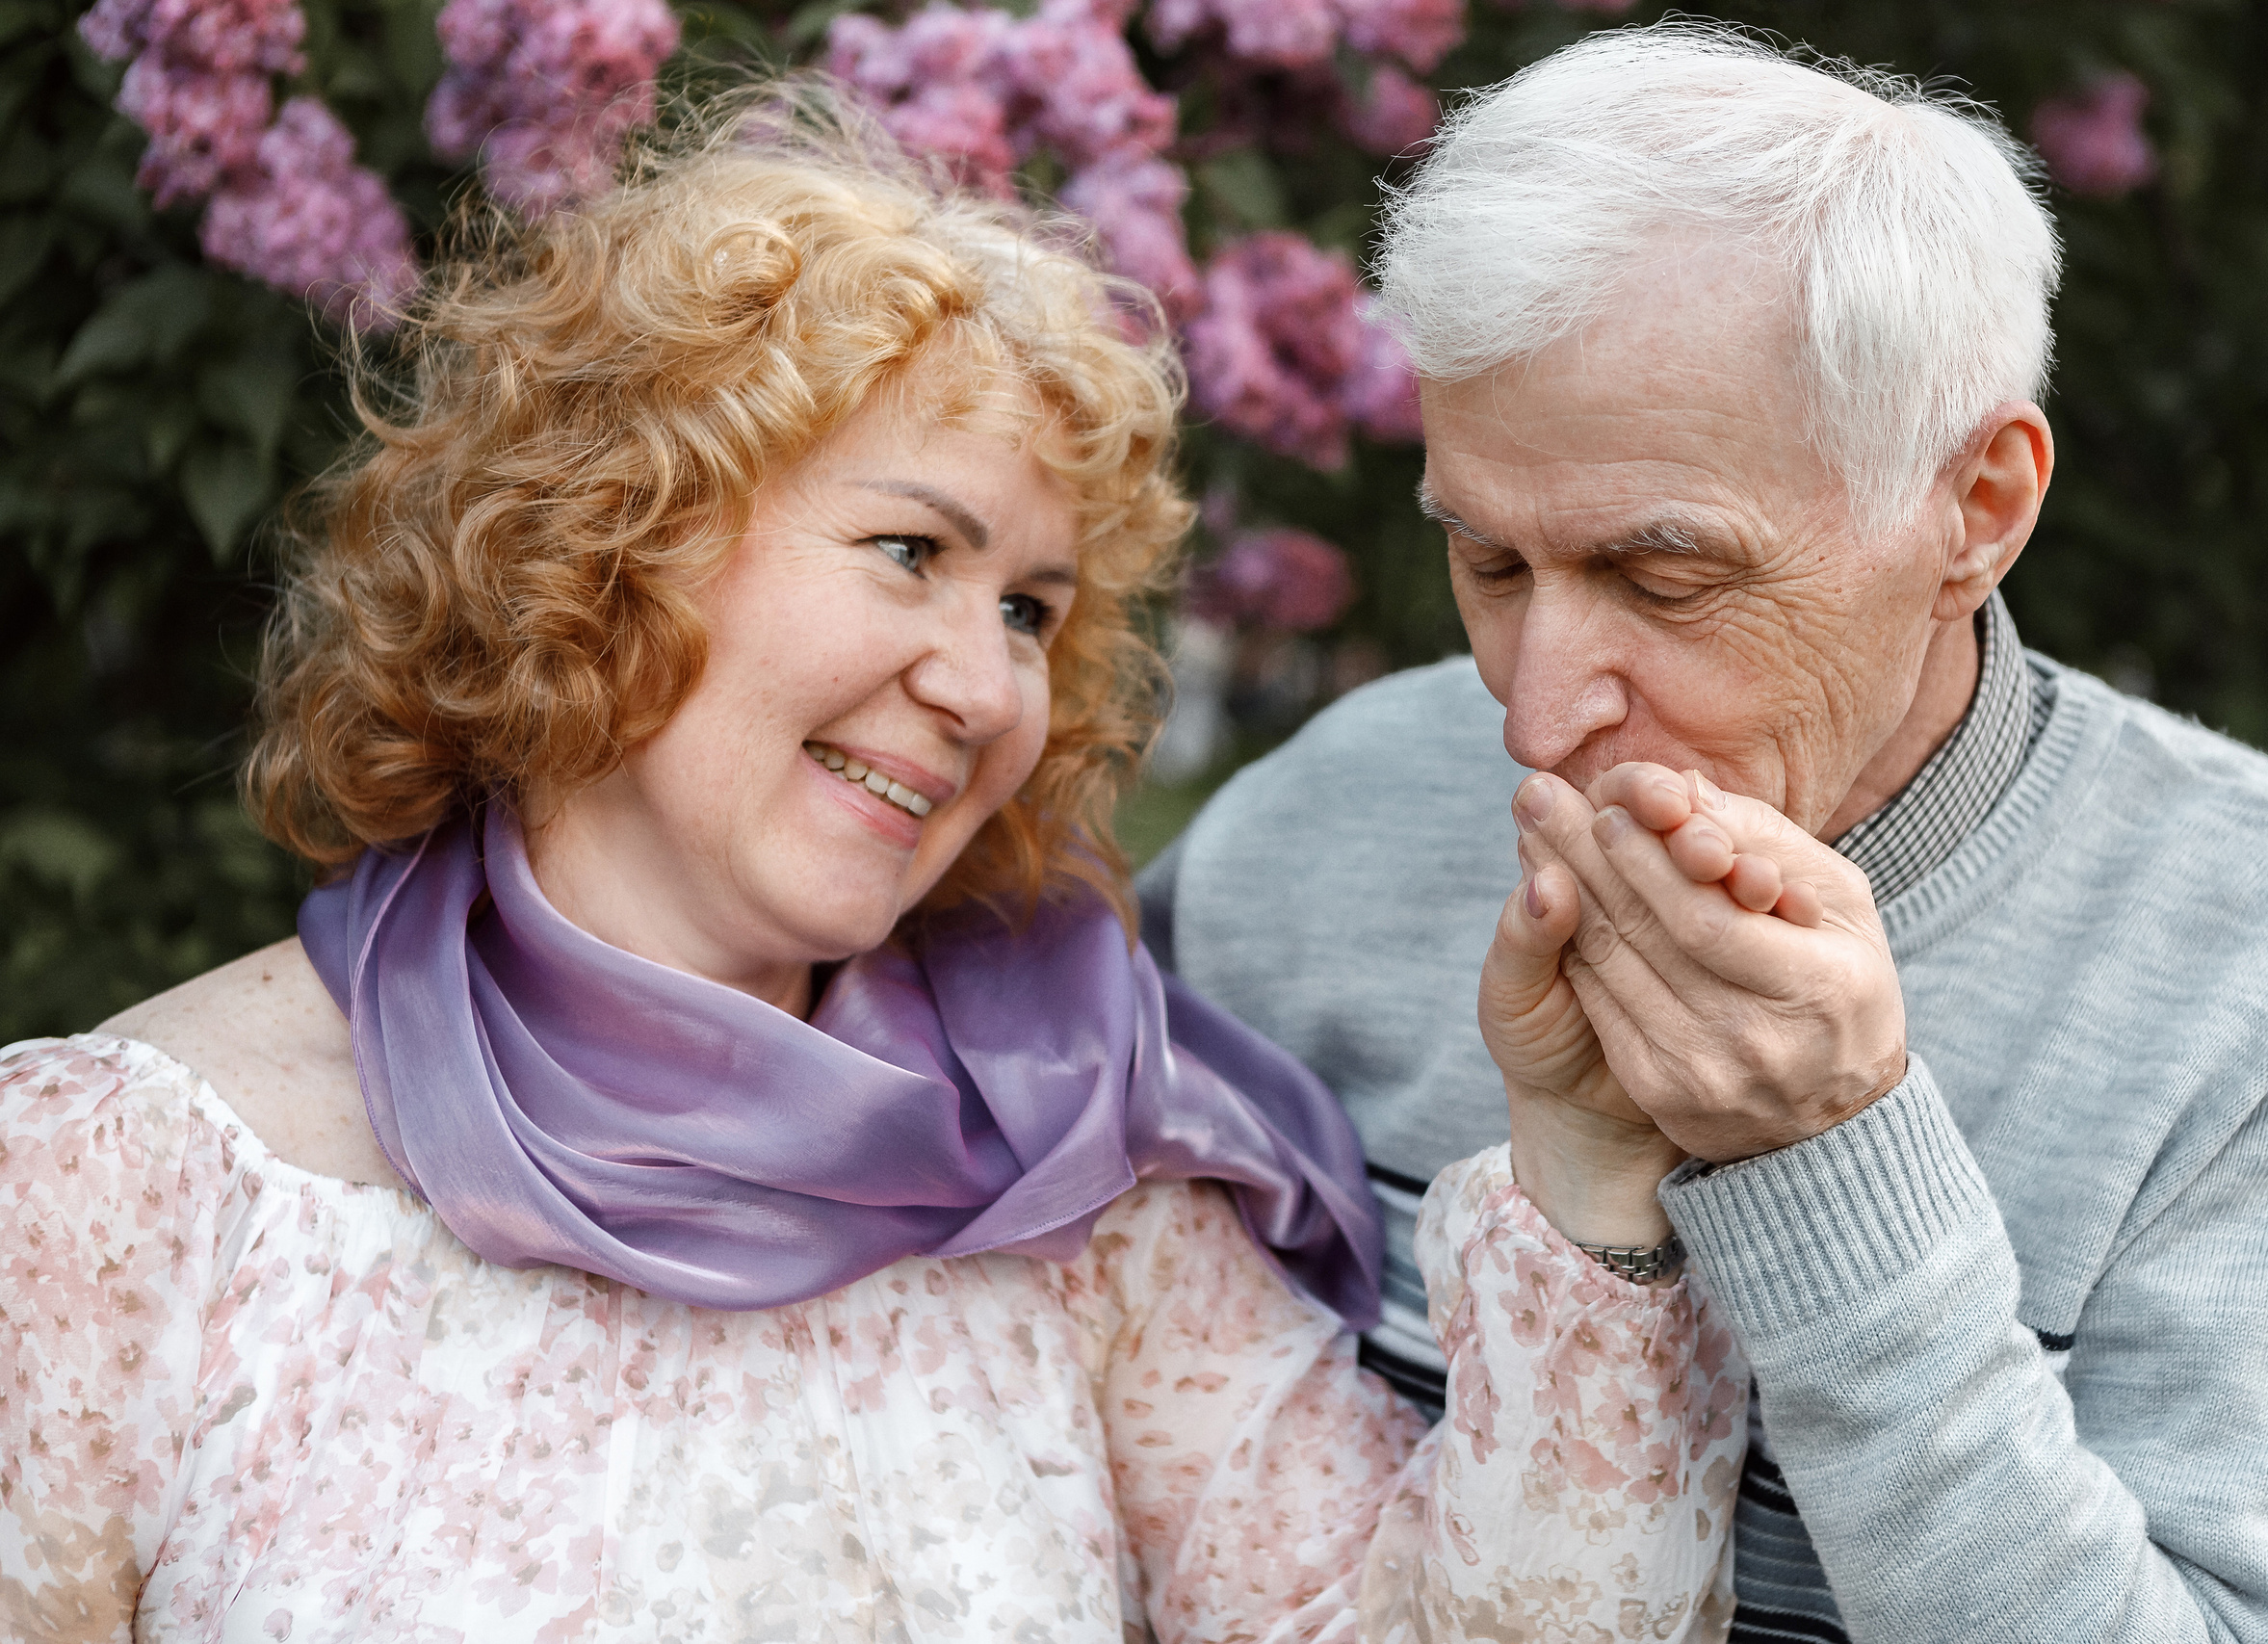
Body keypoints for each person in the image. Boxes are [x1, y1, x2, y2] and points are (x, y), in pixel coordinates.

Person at [0, 90, 1750, 1642]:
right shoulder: (116, 1187)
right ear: (614, 541)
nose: (986, 689)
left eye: (1031, 611)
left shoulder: (1071, 1176)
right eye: (911, 550)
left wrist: (1592, 1172)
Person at [1143, 22, 2268, 1644]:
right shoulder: (1315, 825)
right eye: (1488, 564)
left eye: (1666, 579)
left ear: (1976, 509)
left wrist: (1834, 1168)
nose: (1537, 718)